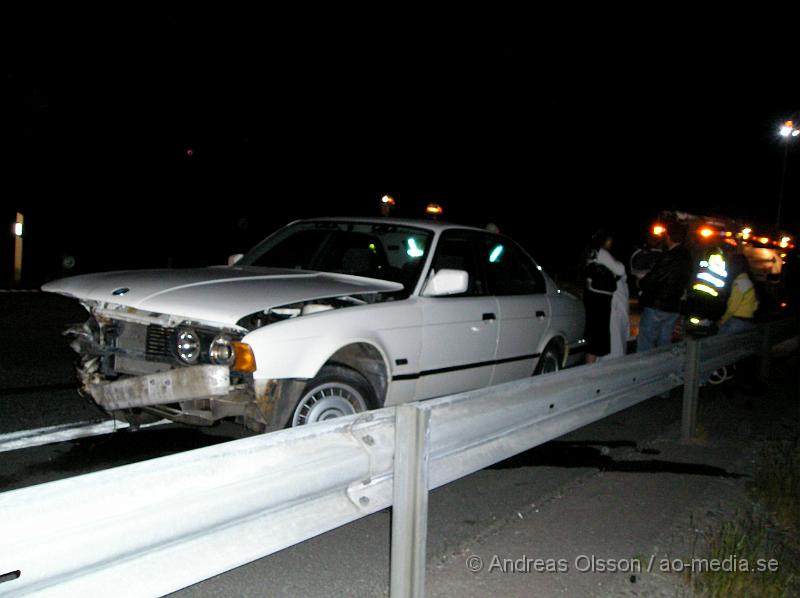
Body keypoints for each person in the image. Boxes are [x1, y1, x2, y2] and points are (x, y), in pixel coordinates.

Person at [636, 221, 693, 352]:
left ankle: (644, 370)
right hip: (673, 306)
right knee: (664, 343)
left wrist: (640, 283)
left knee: (646, 342)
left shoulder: (669, 256)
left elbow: (655, 278)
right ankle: (663, 369)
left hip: (657, 305)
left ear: (668, 236)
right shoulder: (687, 257)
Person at [583, 230, 627, 362]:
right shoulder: (601, 252)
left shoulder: (591, 252)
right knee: (597, 338)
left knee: (593, 335)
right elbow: (620, 269)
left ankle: (590, 367)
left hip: (592, 296)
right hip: (600, 299)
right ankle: (590, 371)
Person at [718, 253, 758, 335]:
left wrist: (723, 320)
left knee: (720, 343)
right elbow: (755, 304)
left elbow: (733, 306)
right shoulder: (749, 281)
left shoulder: (739, 283)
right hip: (748, 321)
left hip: (736, 321)